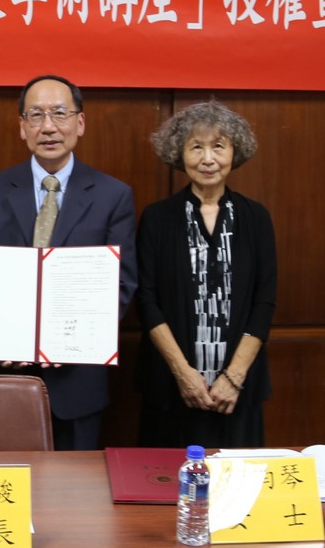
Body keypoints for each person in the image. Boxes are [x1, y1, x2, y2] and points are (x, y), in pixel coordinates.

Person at [0, 74, 137, 451]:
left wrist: (68, 342)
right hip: (3, 375)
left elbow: (120, 284)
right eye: (36, 115)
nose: (48, 127)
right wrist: (2, 341)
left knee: (74, 486)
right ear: (22, 127)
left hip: (77, 379)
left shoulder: (113, 195)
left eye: (60, 113)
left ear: (80, 122)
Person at [135, 100, 277, 448]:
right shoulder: (157, 218)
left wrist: (234, 377)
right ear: (179, 154)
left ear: (234, 151)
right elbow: (146, 300)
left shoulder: (256, 218)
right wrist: (183, 373)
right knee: (165, 479)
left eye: (218, 146)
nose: (208, 158)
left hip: (237, 392)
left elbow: (264, 301)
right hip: (171, 388)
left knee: (237, 478)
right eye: (196, 147)